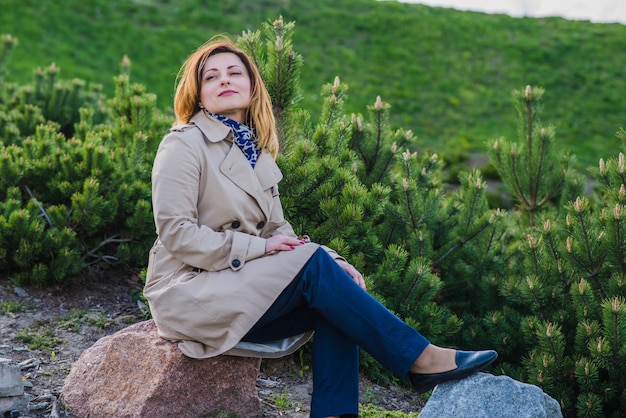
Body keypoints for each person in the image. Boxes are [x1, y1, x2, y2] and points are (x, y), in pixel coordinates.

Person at [144, 35, 497, 418]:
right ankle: (421, 359)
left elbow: (279, 231)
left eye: (234, 73)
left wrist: (332, 259)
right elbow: (177, 234)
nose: (225, 81)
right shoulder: (183, 144)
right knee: (320, 273)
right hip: (191, 291)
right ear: (198, 94)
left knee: (336, 294)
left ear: (252, 85)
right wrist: (260, 250)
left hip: (238, 289)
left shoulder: (255, 151)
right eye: (211, 77)